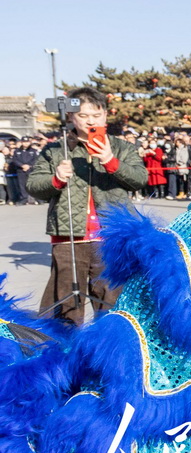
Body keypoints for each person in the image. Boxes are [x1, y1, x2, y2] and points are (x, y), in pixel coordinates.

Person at [26, 87, 148, 324]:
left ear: (105, 115)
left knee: (112, 299)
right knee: (65, 303)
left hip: (110, 237)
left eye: (96, 115)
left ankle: (110, 350)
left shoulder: (122, 147)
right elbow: (33, 185)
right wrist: (56, 179)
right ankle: (62, 352)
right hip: (69, 237)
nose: (90, 121)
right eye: (83, 116)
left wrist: (110, 161)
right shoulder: (55, 149)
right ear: (71, 117)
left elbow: (140, 179)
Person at [11, 139, 39, 205]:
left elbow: (36, 159)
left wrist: (29, 166)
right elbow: (15, 160)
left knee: (33, 185)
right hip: (21, 170)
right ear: (21, 142)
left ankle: (37, 198)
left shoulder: (33, 151)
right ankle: (24, 199)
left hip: (31, 170)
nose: (26, 143)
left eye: (27, 142)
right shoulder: (17, 151)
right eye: (24, 142)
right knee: (22, 185)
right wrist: (22, 165)